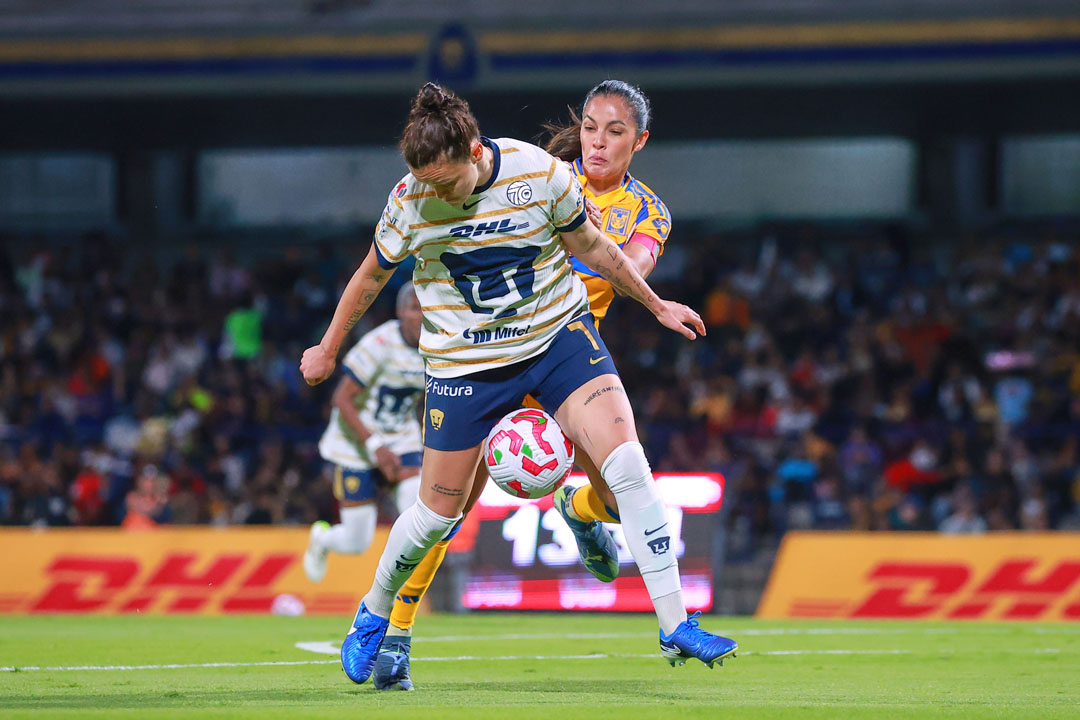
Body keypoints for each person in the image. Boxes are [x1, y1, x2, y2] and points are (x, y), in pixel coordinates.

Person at [300, 82, 737, 690]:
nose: (436, 191)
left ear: (476, 152)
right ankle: (381, 620)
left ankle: (676, 621)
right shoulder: (412, 201)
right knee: (437, 514)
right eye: (591, 127)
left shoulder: (539, 176)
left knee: (629, 470)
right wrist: (327, 347)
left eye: (615, 131)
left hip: (557, 339)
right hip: (467, 364)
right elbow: (369, 277)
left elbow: (598, 248)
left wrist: (657, 305)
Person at [302, 283, 425, 583]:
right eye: (414, 309)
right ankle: (322, 540)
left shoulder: (438, 343)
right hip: (355, 442)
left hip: (400, 436)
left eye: (427, 309)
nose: (422, 317)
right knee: (357, 542)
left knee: (418, 512)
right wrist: (376, 448)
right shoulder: (379, 343)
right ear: (400, 313)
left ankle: (395, 585)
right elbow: (341, 399)